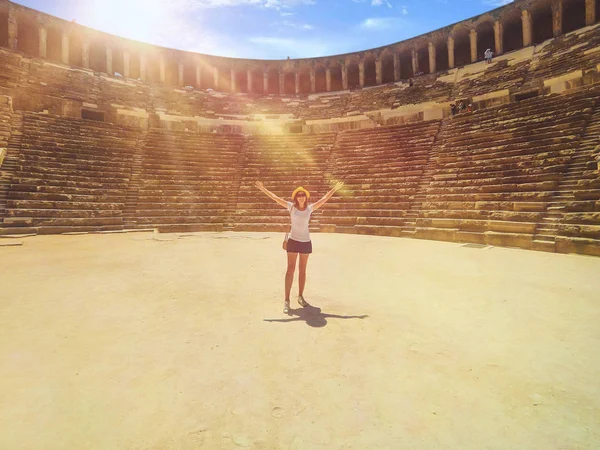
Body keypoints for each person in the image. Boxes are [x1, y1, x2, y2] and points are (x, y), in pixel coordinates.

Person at [255, 180, 345, 314]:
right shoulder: (291, 207)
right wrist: (263, 189)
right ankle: (286, 300)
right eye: (299, 194)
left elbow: (324, 199)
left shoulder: (310, 208)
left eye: (303, 194)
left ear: (306, 197)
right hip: (293, 240)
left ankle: (300, 296)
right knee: (290, 270)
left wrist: (334, 189)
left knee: (302, 271)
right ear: (296, 197)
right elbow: (275, 198)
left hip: (305, 242)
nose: (301, 196)